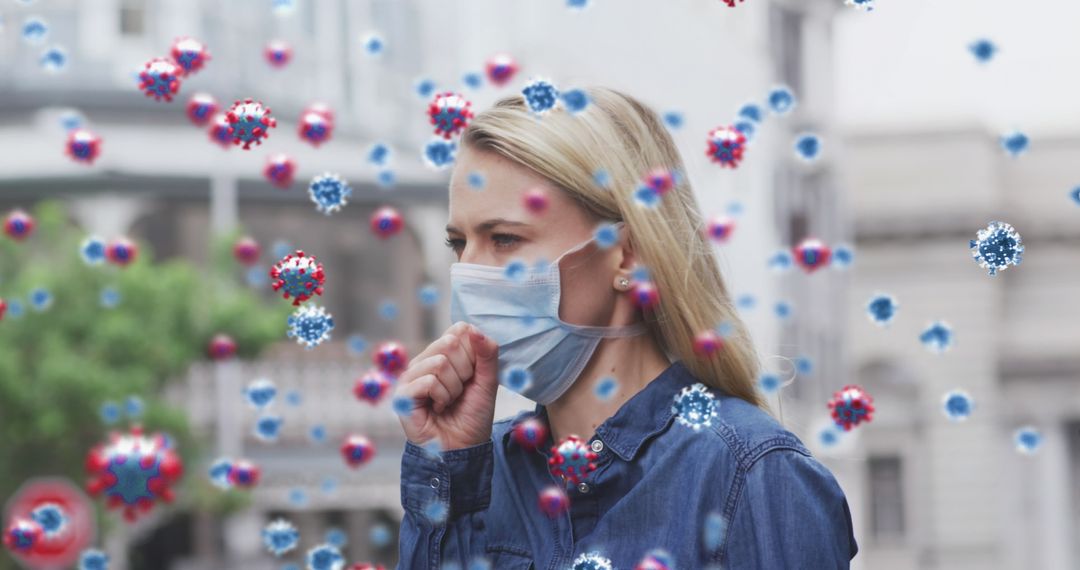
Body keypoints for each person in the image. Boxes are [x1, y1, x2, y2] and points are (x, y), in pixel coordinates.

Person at [394, 86, 857, 569]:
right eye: (458, 244)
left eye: (505, 239)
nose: (470, 273)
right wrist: (448, 469)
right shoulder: (476, 470)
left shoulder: (755, 475)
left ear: (627, 253)